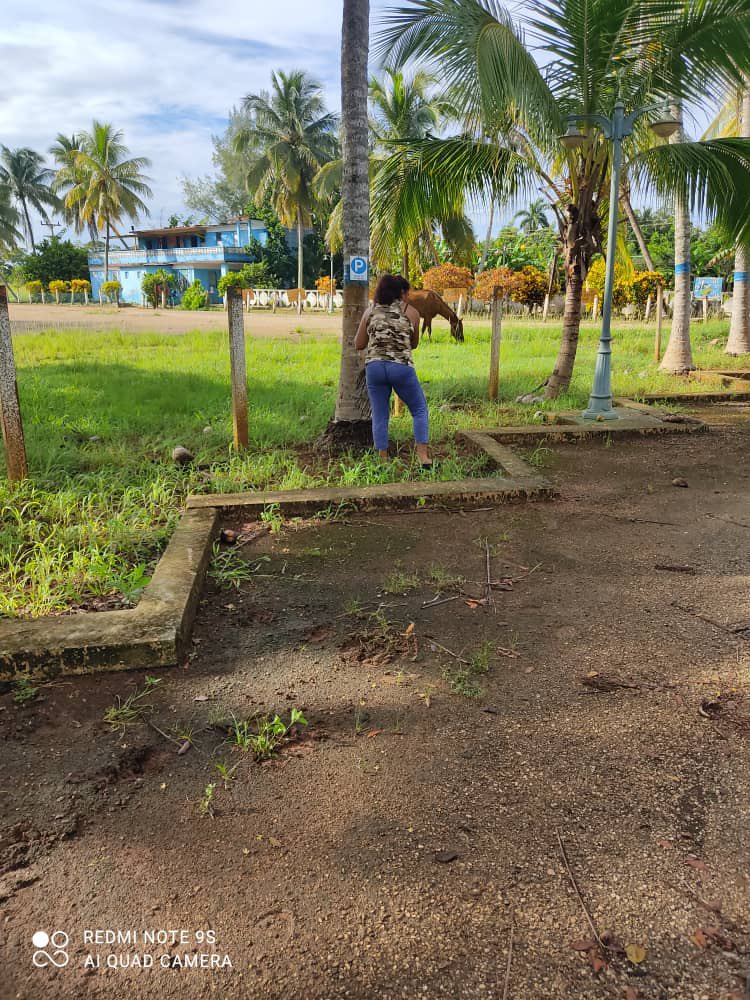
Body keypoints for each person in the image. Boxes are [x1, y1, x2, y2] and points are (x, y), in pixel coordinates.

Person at [354, 273, 432, 468]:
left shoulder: (370, 311)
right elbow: (413, 344)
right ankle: (423, 457)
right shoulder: (411, 312)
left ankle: (382, 460)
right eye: (407, 292)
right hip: (401, 367)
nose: (408, 296)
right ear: (401, 293)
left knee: (380, 414)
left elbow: (359, 343)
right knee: (420, 409)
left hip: (374, 368)